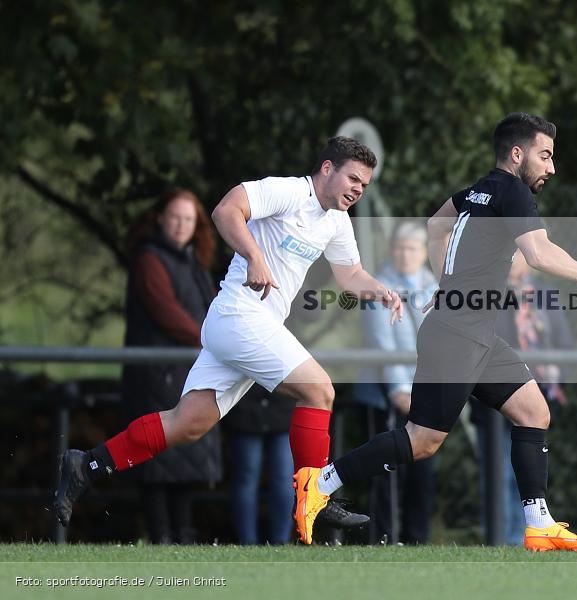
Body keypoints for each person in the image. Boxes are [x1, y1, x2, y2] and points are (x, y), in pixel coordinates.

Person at [295, 113, 577, 550]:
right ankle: (319, 485)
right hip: (458, 335)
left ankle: (539, 525)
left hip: (473, 333)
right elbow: (538, 252)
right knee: (421, 442)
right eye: (545, 155)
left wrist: (447, 283)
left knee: (533, 411)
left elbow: (437, 223)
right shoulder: (513, 191)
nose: (551, 167)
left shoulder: (480, 189)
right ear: (518, 154)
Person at [54, 137, 403, 539]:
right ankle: (315, 498)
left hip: (249, 324)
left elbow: (349, 274)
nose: (359, 189)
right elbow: (226, 210)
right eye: (354, 178)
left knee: (188, 424)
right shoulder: (287, 191)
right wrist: (255, 256)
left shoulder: (337, 221)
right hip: (240, 313)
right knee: (320, 390)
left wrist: (381, 290)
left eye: (365, 185)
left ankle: (87, 464)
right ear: (327, 169)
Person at [122, 189, 221, 544]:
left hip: (186, 371)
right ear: (161, 218)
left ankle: (183, 534)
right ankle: (161, 535)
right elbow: (165, 311)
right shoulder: (149, 259)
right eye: (175, 217)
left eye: (188, 219)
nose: (181, 225)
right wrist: (211, 339)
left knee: (185, 457)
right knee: (155, 460)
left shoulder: (195, 264)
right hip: (155, 375)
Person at [472, 250, 574, 545]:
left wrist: (555, 370)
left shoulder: (544, 294)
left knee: (526, 473)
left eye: (516, 254)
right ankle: (501, 539)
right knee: (497, 473)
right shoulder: (484, 294)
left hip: (534, 398)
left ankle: (526, 536)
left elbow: (564, 343)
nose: (511, 260)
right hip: (492, 399)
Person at [355, 222, 438, 545]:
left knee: (422, 474)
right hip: (386, 395)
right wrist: (400, 392)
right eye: (400, 247)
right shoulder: (379, 288)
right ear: (393, 251)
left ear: (422, 254)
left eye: (413, 248)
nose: (405, 254)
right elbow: (382, 345)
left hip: (423, 395)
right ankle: (382, 540)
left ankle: (417, 541)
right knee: (387, 473)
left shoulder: (432, 286)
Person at [221, 384, 295, 545]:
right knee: (247, 478)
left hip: (280, 411)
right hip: (247, 412)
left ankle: (281, 542)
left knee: (282, 478)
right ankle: (248, 542)